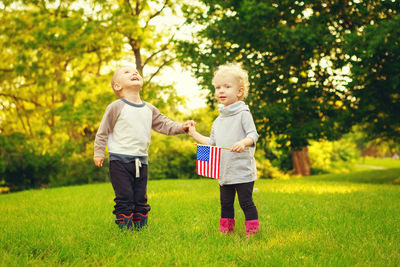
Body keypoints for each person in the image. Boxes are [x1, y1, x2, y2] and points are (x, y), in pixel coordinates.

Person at [94, 64, 194, 231]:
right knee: (125, 196)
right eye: (127, 72)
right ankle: (125, 230)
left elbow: (164, 124)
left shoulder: (149, 108)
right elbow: (103, 132)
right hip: (119, 161)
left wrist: (181, 127)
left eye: (136, 72)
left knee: (140, 196)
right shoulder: (115, 107)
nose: (134, 73)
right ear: (118, 86)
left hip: (141, 161)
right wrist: (99, 152)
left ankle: (141, 228)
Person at [188, 62, 259, 237]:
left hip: (242, 171)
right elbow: (212, 143)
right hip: (224, 171)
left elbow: (253, 135)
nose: (221, 90)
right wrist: (194, 133)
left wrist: (243, 142)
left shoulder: (243, 113)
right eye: (218, 87)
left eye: (227, 87)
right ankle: (226, 231)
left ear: (239, 91)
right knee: (225, 203)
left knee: (245, 202)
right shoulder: (218, 120)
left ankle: (252, 232)